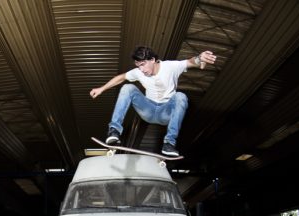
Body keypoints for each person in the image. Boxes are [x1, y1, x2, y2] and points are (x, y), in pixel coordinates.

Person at [89, 46, 217, 156]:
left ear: (153, 59)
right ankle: (114, 130)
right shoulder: (138, 72)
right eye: (138, 66)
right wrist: (102, 88)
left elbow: (190, 62)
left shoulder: (170, 66)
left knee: (180, 96)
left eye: (143, 64)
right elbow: (121, 77)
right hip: (148, 110)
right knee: (128, 87)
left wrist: (200, 58)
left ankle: (169, 144)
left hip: (165, 112)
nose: (142, 70)